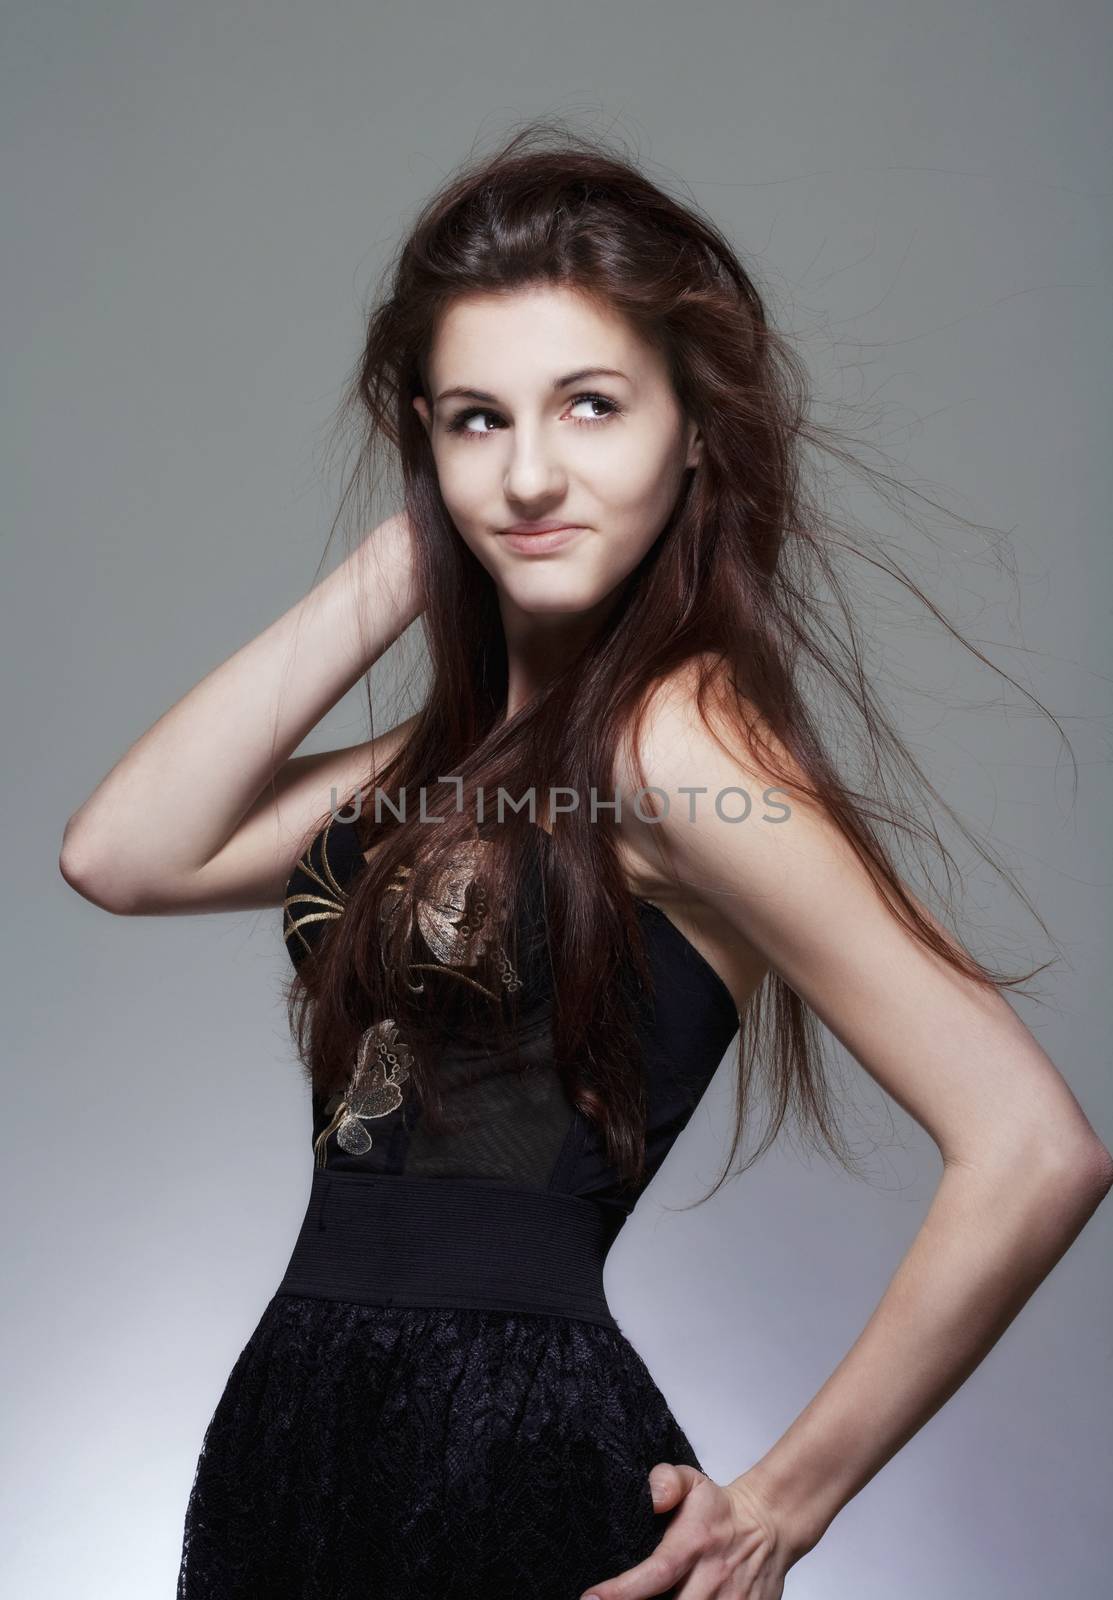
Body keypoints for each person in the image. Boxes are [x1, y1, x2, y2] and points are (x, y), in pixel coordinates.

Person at [59, 120, 1111, 1600]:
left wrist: (785, 1506)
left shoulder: (677, 748)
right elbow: (121, 852)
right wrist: (432, 532)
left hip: (498, 1453)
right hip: (297, 1435)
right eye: (476, 418)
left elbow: (1032, 1148)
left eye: (590, 407)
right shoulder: (450, 763)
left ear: (693, 431)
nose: (533, 474)